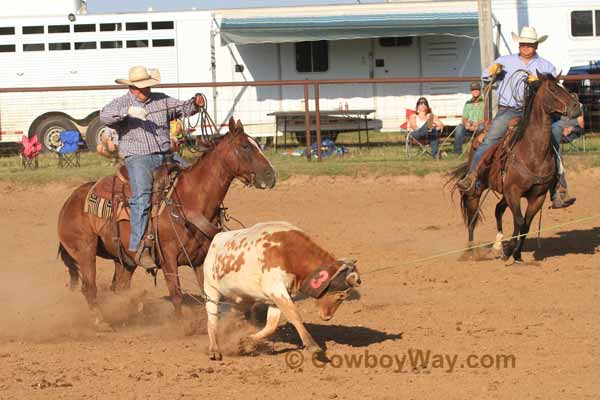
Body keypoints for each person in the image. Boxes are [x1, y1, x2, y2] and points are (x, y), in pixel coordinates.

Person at [99, 65, 205, 268]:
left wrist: (196, 102)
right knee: (142, 196)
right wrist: (127, 112)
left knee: (195, 177)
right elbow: (104, 116)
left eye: (146, 86)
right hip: (138, 157)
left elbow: (184, 108)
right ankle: (139, 246)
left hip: (165, 155)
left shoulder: (161, 100)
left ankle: (200, 228)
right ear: (131, 88)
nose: (143, 90)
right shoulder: (121, 103)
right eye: (139, 87)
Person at [457, 26, 574, 208]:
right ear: (519, 45)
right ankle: (471, 176)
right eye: (523, 44)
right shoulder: (505, 61)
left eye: (530, 44)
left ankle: (558, 189)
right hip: (509, 110)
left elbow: (553, 89)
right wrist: (493, 71)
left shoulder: (546, 66)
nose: (526, 47)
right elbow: (486, 78)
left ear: (536, 45)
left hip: (536, 113)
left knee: (554, 138)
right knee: (490, 139)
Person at [550, 95, 584, 206]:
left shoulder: (574, 112)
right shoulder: (556, 110)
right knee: (556, 158)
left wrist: (571, 128)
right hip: (553, 133)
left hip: (557, 135)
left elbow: (581, 126)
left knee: (557, 158)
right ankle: (560, 193)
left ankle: (560, 193)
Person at [454, 82, 485, 154]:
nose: (475, 91)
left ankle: (479, 150)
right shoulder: (468, 103)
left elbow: (485, 118)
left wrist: (476, 124)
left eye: (477, 89)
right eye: (473, 90)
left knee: (481, 127)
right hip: (470, 124)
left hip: (480, 123)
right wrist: (466, 123)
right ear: (471, 91)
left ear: (480, 90)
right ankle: (457, 151)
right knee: (459, 128)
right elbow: (464, 117)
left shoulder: (484, 101)